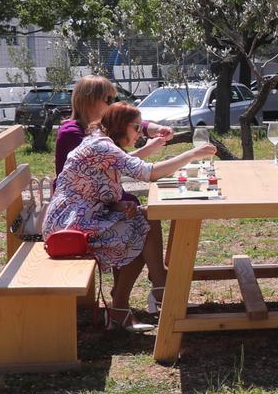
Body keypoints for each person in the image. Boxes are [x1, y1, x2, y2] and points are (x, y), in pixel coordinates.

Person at [43, 103, 214, 331]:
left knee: (146, 218)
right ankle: (133, 301)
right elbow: (149, 173)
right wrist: (191, 154)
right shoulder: (102, 146)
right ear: (121, 126)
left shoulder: (100, 141)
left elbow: (96, 181)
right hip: (69, 228)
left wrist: (116, 204)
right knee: (140, 231)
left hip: (79, 216)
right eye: (137, 127)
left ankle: (153, 292)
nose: (139, 133)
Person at [55, 75, 174, 310]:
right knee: (141, 223)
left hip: (95, 204)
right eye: (109, 99)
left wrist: (153, 128)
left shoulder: (96, 128)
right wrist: (151, 150)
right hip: (76, 214)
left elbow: (125, 125)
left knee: (141, 216)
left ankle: (147, 288)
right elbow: (116, 162)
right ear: (90, 100)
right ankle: (155, 286)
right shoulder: (74, 133)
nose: (113, 103)